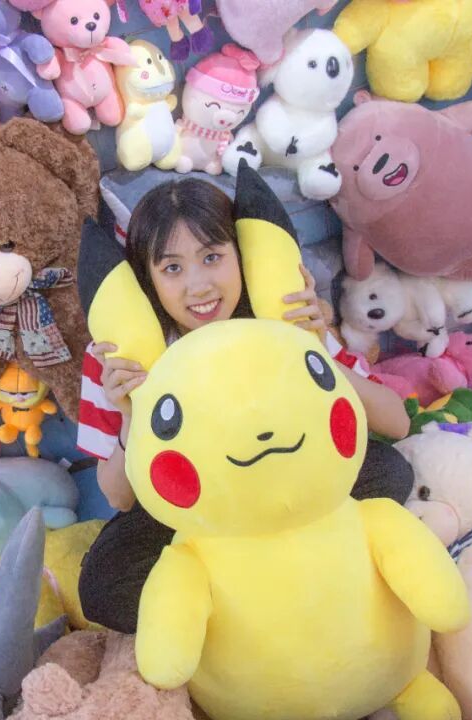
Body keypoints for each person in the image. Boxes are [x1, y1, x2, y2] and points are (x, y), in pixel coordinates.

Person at [76, 178, 414, 633]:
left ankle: (257, 595)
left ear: (240, 255)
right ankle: (265, 597)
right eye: (172, 268)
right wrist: (131, 414)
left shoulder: (282, 317)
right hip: (201, 514)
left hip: (287, 491)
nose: (198, 286)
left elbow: (397, 422)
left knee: (389, 470)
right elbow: (119, 497)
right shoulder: (120, 354)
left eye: (212, 257)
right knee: (105, 583)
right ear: (148, 279)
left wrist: (315, 349)